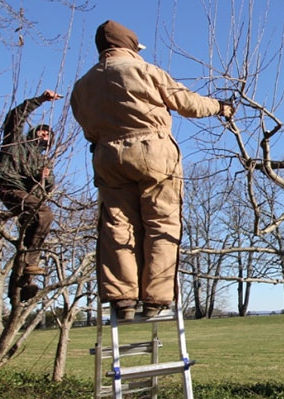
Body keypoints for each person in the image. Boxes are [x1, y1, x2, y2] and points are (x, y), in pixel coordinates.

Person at [70, 20, 235, 320]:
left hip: (107, 156)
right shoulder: (145, 71)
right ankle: (156, 299)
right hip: (154, 152)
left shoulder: (82, 85)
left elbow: (84, 123)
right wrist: (221, 107)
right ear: (131, 46)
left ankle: (122, 299)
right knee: (162, 223)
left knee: (116, 227)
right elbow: (189, 104)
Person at [0, 90, 62, 300]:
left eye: (49, 136)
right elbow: (15, 116)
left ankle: (21, 285)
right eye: (42, 132)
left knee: (29, 236)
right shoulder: (16, 142)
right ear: (33, 132)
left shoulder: (43, 161)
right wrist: (40, 100)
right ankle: (31, 265)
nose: (45, 136)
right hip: (9, 185)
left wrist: (45, 178)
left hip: (27, 199)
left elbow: (44, 191)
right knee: (45, 214)